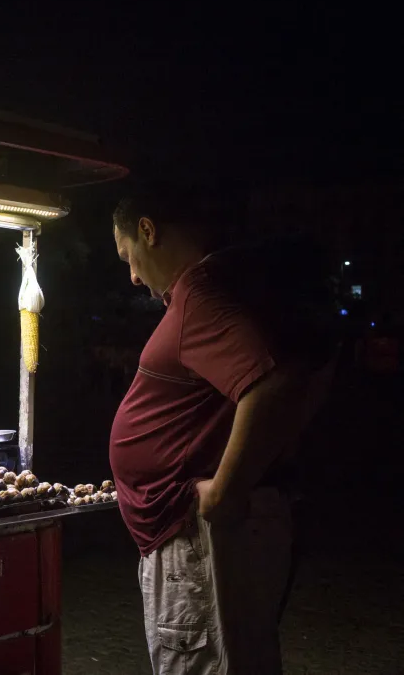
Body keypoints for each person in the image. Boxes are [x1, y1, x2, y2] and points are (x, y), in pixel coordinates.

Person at [108, 187, 338, 674]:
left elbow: (276, 381)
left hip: (197, 530)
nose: (131, 275)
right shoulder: (220, 288)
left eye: (129, 256)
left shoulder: (202, 292)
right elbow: (308, 370)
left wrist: (229, 488)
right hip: (199, 527)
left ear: (148, 231)